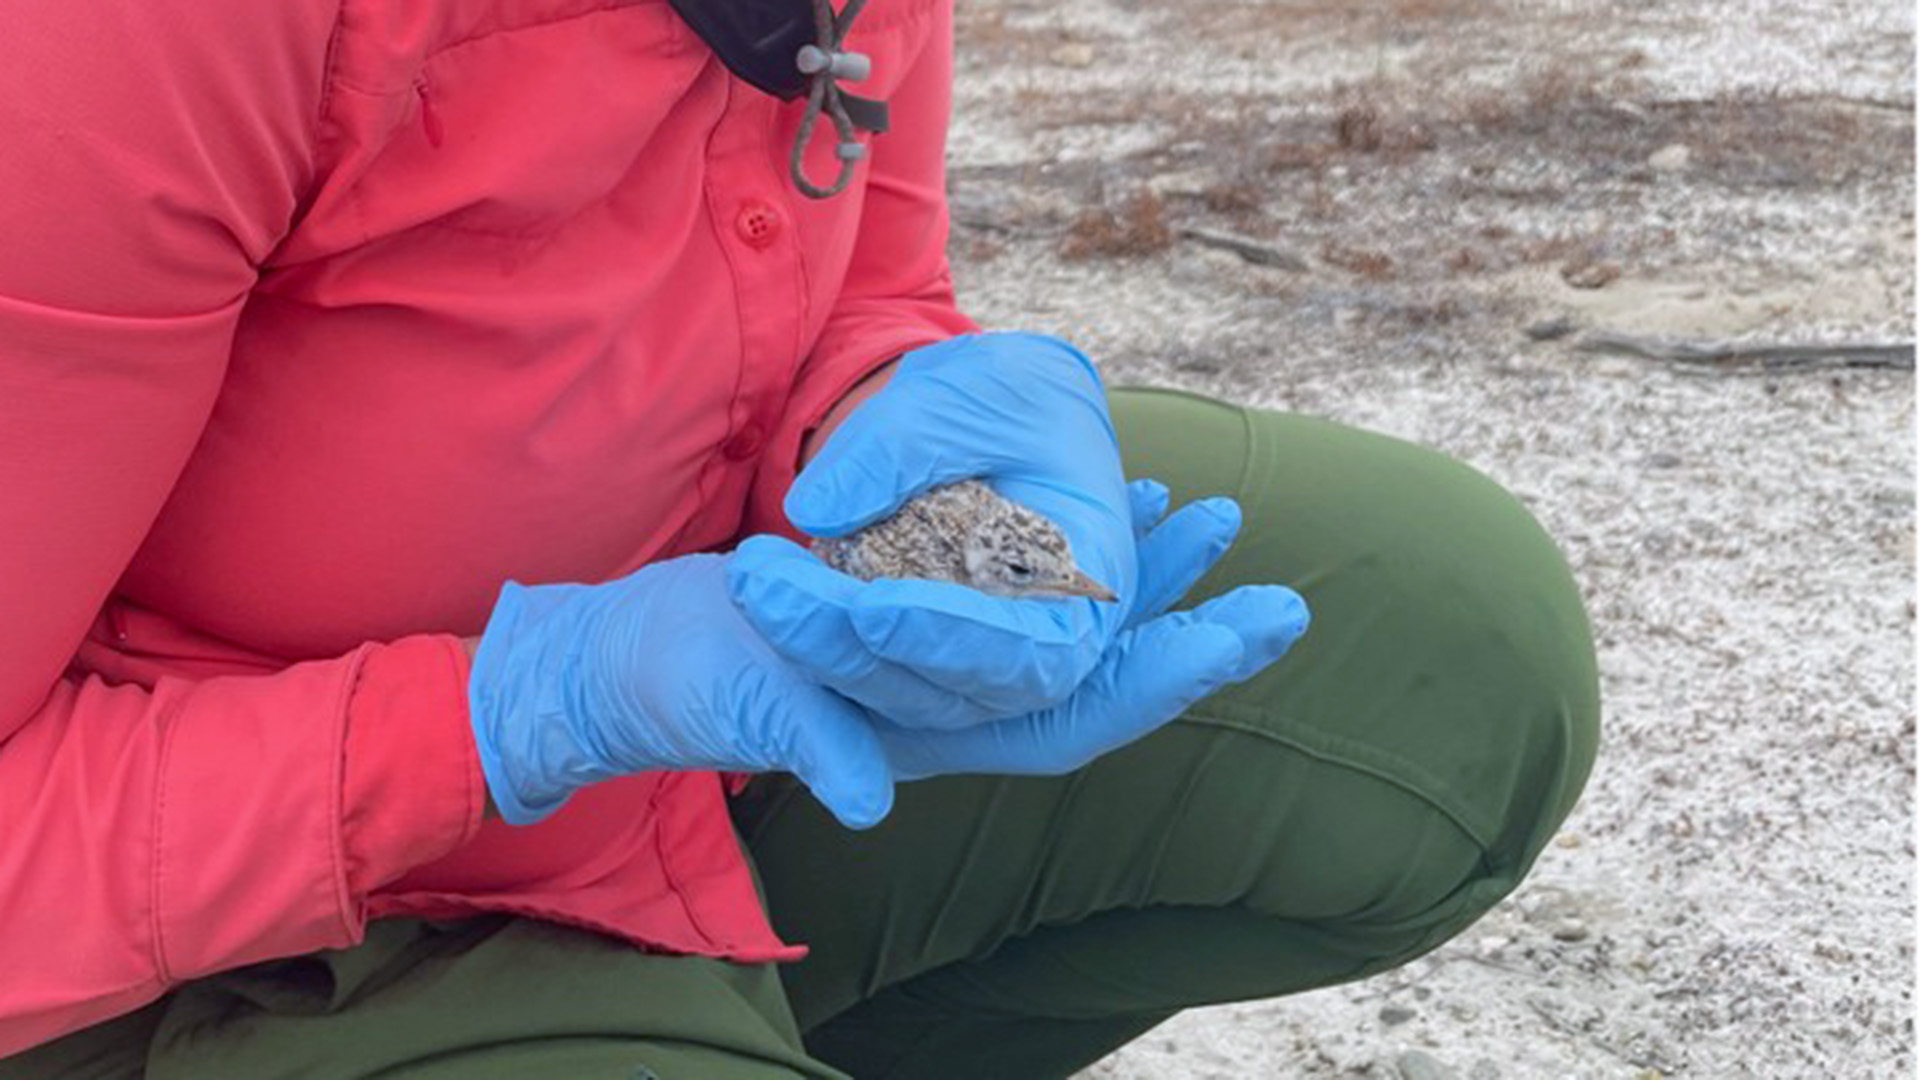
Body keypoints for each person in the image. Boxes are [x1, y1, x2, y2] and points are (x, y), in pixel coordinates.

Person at [0, 0, 1599, 1075]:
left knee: (1442, 661)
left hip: (681, 765)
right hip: (187, 923)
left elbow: (858, 278)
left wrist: (892, 407)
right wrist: (511, 714)